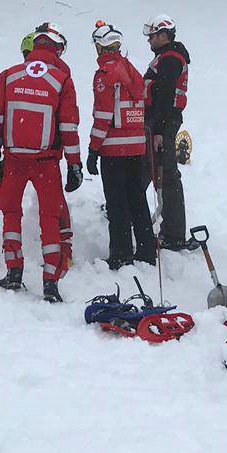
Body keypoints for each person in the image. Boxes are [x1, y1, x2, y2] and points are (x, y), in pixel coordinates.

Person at [0, 32, 74, 271]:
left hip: (33, 154)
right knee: (29, 198)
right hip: (41, 155)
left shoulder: (31, 75)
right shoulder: (57, 74)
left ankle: (60, 249)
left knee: (35, 206)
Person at [0, 22, 81, 302]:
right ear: (56, 49)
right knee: (49, 218)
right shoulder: (61, 79)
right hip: (46, 162)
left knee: (11, 214)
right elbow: (69, 126)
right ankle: (50, 282)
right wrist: (74, 164)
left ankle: (14, 272)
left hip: (14, 159)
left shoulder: (9, 76)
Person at [87, 21, 157, 268]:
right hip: (136, 149)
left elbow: (103, 115)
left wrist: (93, 149)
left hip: (114, 150)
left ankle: (121, 253)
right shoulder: (130, 69)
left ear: (100, 48)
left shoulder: (105, 75)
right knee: (137, 199)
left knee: (117, 204)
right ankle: (147, 250)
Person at [142, 15, 193, 250]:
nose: (149, 41)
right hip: (159, 120)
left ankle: (173, 235)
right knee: (146, 168)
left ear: (163, 35)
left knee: (167, 175)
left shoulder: (171, 59)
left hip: (163, 121)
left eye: (152, 36)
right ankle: (130, 210)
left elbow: (164, 94)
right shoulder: (165, 56)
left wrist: (160, 128)